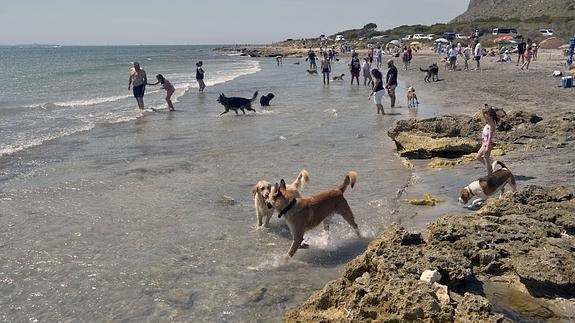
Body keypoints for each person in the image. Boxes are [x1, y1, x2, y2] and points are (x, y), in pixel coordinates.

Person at [475, 104, 500, 174]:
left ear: (490, 115)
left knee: (486, 159)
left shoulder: (492, 124)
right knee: (478, 157)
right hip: (484, 143)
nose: (485, 117)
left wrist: (487, 146)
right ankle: (490, 167)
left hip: (486, 144)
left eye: (486, 115)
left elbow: (490, 136)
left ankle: (490, 172)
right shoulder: (490, 122)